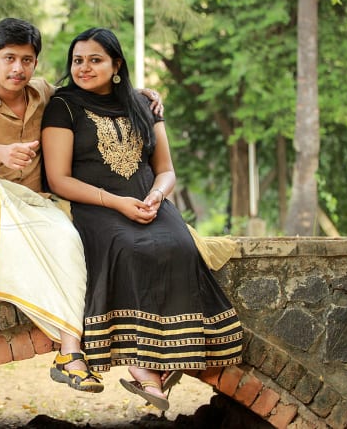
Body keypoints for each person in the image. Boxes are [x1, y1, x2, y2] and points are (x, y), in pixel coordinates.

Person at [0, 18, 162, 394]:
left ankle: (70, 354)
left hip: (35, 205)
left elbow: (88, 91)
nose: (18, 68)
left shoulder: (43, 93)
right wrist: (0, 152)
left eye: (26, 60)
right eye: (9, 59)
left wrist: (134, 93)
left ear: (35, 63)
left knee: (72, 244)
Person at [41, 27, 243, 411]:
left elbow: (166, 170)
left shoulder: (142, 105)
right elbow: (59, 179)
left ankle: (170, 355)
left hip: (148, 202)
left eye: (95, 60)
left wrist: (156, 196)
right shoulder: (63, 106)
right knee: (127, 247)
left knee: (180, 245)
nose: (84, 68)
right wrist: (117, 203)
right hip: (93, 205)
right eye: (78, 60)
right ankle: (142, 366)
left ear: (116, 64)